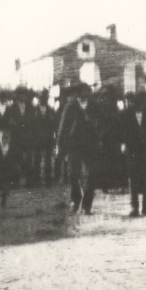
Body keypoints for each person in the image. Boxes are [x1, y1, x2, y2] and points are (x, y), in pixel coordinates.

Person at [56, 84, 101, 216]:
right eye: (81, 92)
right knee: (73, 174)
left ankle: (87, 205)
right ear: (77, 93)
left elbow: (100, 121)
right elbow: (63, 126)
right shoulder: (71, 106)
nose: (84, 94)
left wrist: (96, 128)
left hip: (90, 144)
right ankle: (76, 200)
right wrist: (59, 144)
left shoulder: (93, 105)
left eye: (86, 92)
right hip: (74, 145)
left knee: (92, 174)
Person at [123, 92, 146, 217]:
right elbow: (123, 130)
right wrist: (124, 144)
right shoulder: (126, 114)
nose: (141, 106)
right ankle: (134, 207)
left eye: (143, 103)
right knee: (133, 179)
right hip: (133, 150)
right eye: (138, 103)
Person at [0, 127, 20, 209]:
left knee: (6, 185)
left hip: (9, 170)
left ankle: (4, 198)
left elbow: (16, 158)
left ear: (9, 139)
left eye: (6, 138)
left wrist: (17, 166)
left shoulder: (12, 148)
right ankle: (3, 194)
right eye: (1, 138)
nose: (3, 141)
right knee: (0, 185)